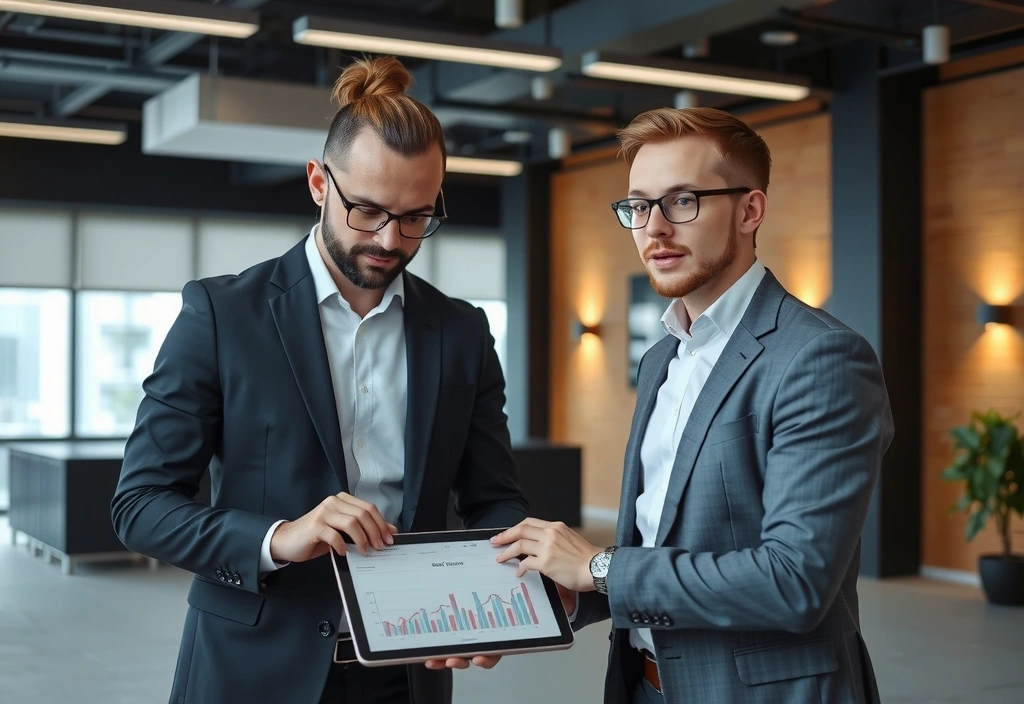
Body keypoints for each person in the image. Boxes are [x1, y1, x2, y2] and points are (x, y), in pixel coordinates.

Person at [111, 55, 528, 704]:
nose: (390, 239)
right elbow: (140, 506)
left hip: (406, 675)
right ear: (317, 182)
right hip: (249, 670)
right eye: (366, 210)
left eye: (416, 217)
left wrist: (505, 595)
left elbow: (494, 499)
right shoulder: (221, 315)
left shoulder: (462, 332)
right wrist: (279, 538)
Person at [492, 107, 894, 703]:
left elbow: (795, 580)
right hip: (646, 686)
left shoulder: (821, 357)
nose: (653, 227)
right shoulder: (661, 360)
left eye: (683, 201)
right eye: (638, 205)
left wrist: (602, 567)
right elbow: (662, 543)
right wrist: (573, 594)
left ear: (750, 210)